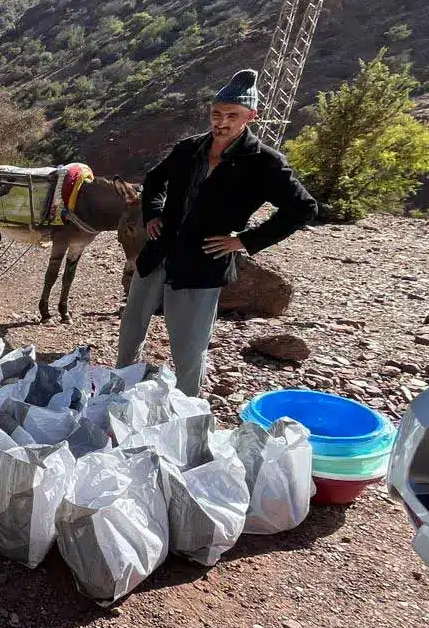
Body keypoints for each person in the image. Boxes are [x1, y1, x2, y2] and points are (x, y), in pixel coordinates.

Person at [116, 69, 318, 397]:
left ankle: (185, 413)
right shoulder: (189, 148)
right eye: (216, 114)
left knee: (189, 347)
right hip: (158, 253)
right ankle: (121, 389)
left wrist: (245, 241)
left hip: (201, 264)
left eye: (232, 115)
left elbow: (303, 208)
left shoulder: (263, 162)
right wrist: (153, 213)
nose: (221, 122)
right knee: (131, 331)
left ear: (250, 117)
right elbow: (154, 180)